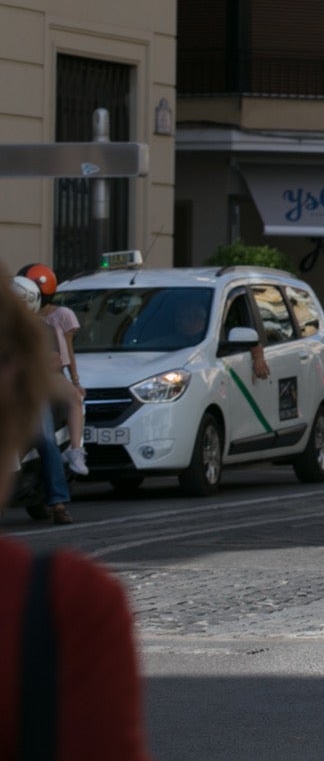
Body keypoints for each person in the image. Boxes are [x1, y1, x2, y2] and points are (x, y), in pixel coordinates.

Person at [0, 260, 153, 755]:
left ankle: (61, 488)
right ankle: (61, 491)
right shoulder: (64, 605)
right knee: (46, 440)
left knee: (49, 441)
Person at [17, 264, 87, 477]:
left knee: (74, 398)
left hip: (51, 373)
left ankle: (76, 451)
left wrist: (75, 380)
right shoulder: (21, 317)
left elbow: (68, 350)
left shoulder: (62, 314)